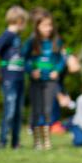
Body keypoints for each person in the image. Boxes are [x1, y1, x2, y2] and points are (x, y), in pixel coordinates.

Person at [0, 6, 29, 149]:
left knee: (18, 112)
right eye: (24, 21)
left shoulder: (16, 37)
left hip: (19, 79)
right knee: (9, 111)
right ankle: (2, 141)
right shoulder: (8, 35)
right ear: (19, 20)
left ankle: (15, 143)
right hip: (9, 79)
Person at [23, 10, 66, 150]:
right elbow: (24, 58)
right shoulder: (32, 41)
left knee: (48, 110)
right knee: (36, 110)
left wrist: (57, 70)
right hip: (36, 81)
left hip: (50, 82)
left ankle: (47, 142)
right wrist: (31, 70)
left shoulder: (56, 41)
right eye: (45, 26)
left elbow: (61, 59)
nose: (48, 28)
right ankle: (37, 142)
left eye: (50, 25)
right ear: (37, 27)